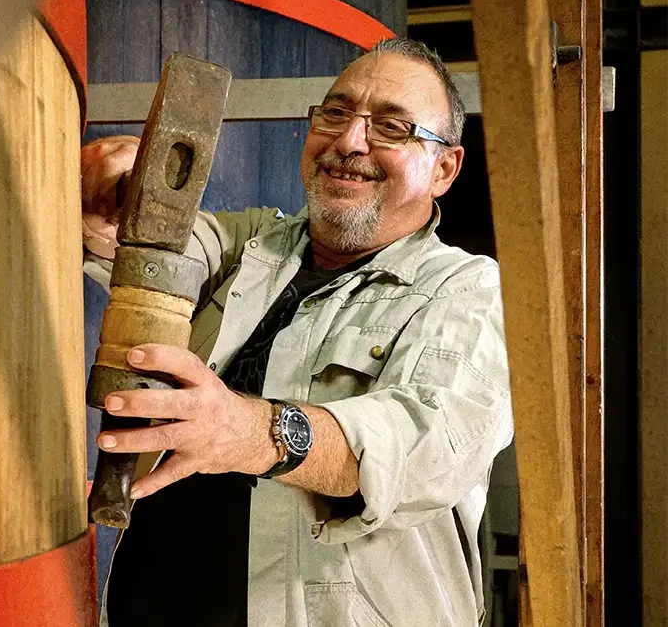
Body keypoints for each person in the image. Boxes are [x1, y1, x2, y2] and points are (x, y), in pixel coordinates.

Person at [81, 37, 513, 627]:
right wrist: (120, 201)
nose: (349, 141)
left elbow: (420, 445)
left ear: (444, 168)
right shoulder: (253, 245)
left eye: (390, 127)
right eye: (335, 113)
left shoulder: (468, 291)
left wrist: (248, 431)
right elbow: (165, 252)